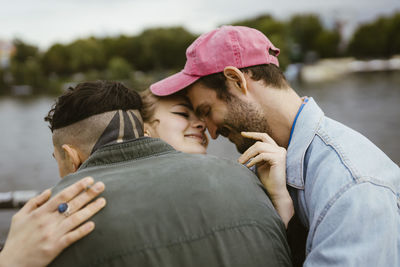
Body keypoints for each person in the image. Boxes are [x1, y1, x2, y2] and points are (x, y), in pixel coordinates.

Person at [150, 25, 400, 266]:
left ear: (237, 80)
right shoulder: (261, 164)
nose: (212, 133)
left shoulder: (351, 187)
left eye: (207, 111)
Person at [44, 81, 292, 266]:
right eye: (182, 114)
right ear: (144, 129)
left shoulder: (57, 217)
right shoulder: (242, 178)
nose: (202, 126)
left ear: (69, 156)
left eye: (203, 115)